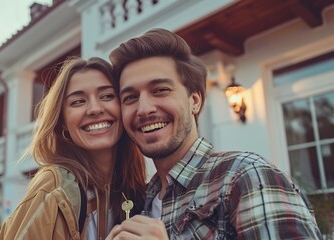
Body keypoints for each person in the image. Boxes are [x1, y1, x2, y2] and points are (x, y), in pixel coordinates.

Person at [106, 28, 322, 239]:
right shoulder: (141, 201)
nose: (144, 109)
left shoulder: (246, 175)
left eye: (160, 90)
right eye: (130, 98)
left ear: (195, 100)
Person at [0, 57, 146, 240]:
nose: (94, 109)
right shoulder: (53, 187)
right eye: (78, 101)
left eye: (107, 96)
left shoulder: (129, 190)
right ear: (63, 123)